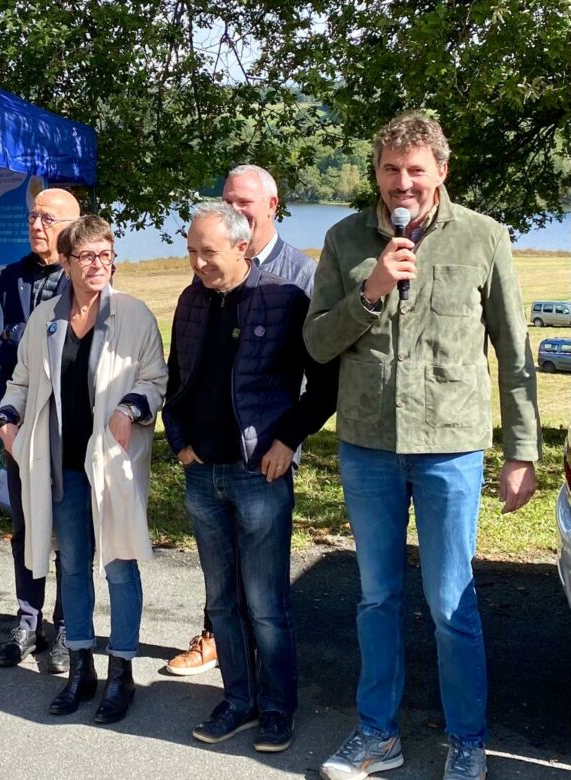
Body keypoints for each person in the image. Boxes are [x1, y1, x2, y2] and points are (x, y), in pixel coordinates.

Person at [305, 112, 540, 780]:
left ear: (441, 169)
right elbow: (317, 342)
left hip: (451, 451)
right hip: (368, 447)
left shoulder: (484, 238)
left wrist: (521, 452)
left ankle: (468, 739)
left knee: (450, 602)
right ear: (376, 172)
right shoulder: (344, 237)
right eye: (389, 169)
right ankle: (377, 733)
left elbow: (515, 353)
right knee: (376, 598)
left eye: (415, 169)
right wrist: (370, 291)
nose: (401, 182)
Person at [162, 202, 336, 752]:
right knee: (222, 602)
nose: (197, 262)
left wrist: (287, 441)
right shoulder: (191, 300)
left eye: (207, 253)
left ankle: (277, 708)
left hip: (257, 475)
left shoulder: (285, 299)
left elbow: (324, 386)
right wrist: (180, 442)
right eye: (191, 251)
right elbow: (176, 378)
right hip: (202, 475)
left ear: (242, 246)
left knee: (265, 603)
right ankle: (237, 700)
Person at [0, 215, 168, 724]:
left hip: (112, 465)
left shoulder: (134, 316)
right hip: (61, 467)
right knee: (72, 566)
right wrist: (8, 420)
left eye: (105, 254)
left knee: (118, 566)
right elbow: (21, 382)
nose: (98, 265)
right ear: (66, 262)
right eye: (87, 256)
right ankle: (80, 667)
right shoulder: (44, 318)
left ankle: (122, 672)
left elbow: (157, 380)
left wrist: (129, 407)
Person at [0, 187, 80, 672]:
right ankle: (27, 619)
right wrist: (32, 337)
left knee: (65, 530)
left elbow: (76, 347)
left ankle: (64, 627)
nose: (36, 225)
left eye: (48, 218)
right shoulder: (10, 275)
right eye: (33, 216)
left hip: (68, 426)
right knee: (24, 526)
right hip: (17, 425)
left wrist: (18, 336)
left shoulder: (83, 276)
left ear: (72, 225)